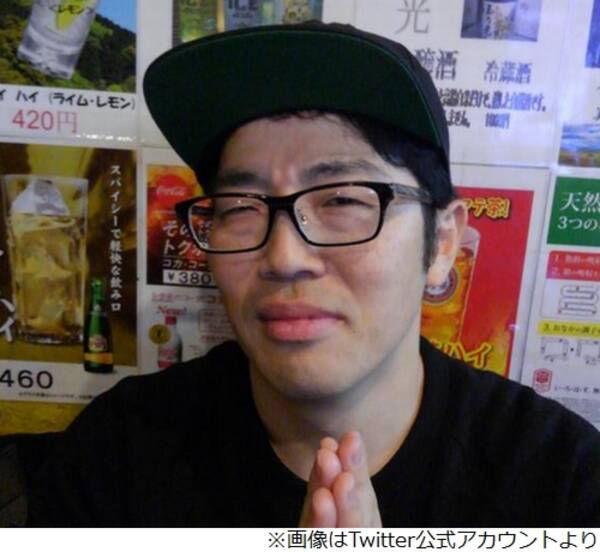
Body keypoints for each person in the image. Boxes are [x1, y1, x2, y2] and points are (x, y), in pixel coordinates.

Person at [23, 21, 600, 527]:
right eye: (240, 208)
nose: (284, 257)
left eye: (343, 200)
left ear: (442, 243)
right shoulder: (117, 455)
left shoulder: (562, 483)